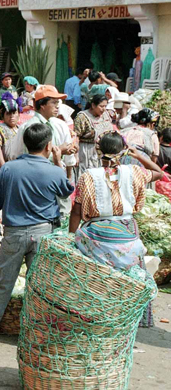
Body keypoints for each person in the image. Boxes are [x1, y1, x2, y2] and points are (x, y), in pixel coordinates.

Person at [0, 123, 74, 339]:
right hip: (44, 234)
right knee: (41, 284)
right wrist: (59, 162)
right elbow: (67, 190)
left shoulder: (8, 169)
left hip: (14, 233)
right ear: (49, 145)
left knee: (3, 281)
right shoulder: (53, 172)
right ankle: (37, 330)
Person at [69, 131, 162, 328]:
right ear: (123, 151)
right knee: (133, 276)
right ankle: (136, 319)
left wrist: (71, 236)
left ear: (98, 151)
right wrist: (138, 156)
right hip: (127, 231)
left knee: (98, 277)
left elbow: (76, 210)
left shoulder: (88, 176)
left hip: (97, 232)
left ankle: (97, 316)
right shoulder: (135, 172)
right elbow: (159, 173)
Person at [74, 94, 115, 175]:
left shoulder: (106, 115)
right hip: (87, 150)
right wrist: (75, 155)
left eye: (105, 106)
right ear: (93, 105)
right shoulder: (82, 117)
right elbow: (76, 136)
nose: (103, 109)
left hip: (103, 151)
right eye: (101, 106)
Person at [0, 92, 21, 167]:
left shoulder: (20, 128)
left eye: (14, 113)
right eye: (8, 113)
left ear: (19, 114)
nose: (12, 116)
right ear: (3, 116)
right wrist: (4, 168)